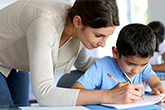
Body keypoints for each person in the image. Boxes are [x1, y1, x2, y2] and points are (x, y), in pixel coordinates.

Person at [0, 0, 143, 106]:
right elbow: (44, 94)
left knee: (21, 108)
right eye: (98, 35)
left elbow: (83, 63)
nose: (103, 43)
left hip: (14, 62)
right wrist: (109, 96)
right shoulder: (44, 24)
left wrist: (125, 65)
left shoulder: (75, 26)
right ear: (78, 22)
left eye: (107, 37)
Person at [72, 23, 165, 103]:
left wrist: (160, 90)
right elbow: (74, 92)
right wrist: (110, 94)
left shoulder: (144, 67)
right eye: (130, 64)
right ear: (116, 53)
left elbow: (156, 83)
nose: (136, 70)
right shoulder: (100, 67)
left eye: (143, 64)